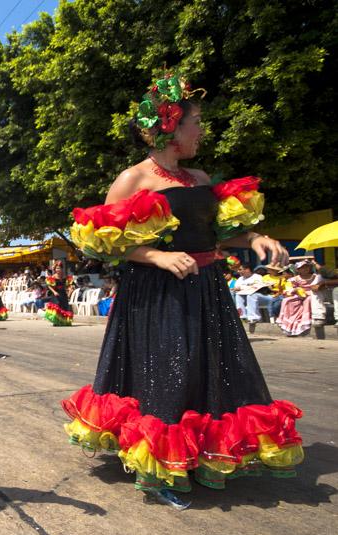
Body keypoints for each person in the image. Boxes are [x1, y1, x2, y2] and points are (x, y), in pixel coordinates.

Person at [64, 71, 302, 510]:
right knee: (168, 372)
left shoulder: (199, 176)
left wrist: (253, 239)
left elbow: (212, 233)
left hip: (207, 288)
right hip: (157, 291)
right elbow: (103, 242)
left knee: (208, 368)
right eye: (197, 122)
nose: (202, 131)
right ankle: (162, 467)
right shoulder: (133, 179)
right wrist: (155, 256)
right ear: (172, 128)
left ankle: (204, 454)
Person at [276, 259, 326, 336]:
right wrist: (295, 290)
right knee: (287, 301)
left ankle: (306, 321)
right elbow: (288, 289)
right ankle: (290, 324)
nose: (305, 269)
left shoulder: (315, 277)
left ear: (310, 268)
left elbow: (319, 286)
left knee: (308, 300)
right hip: (299, 295)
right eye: (302, 268)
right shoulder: (295, 279)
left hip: (311, 294)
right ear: (298, 270)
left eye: (307, 267)